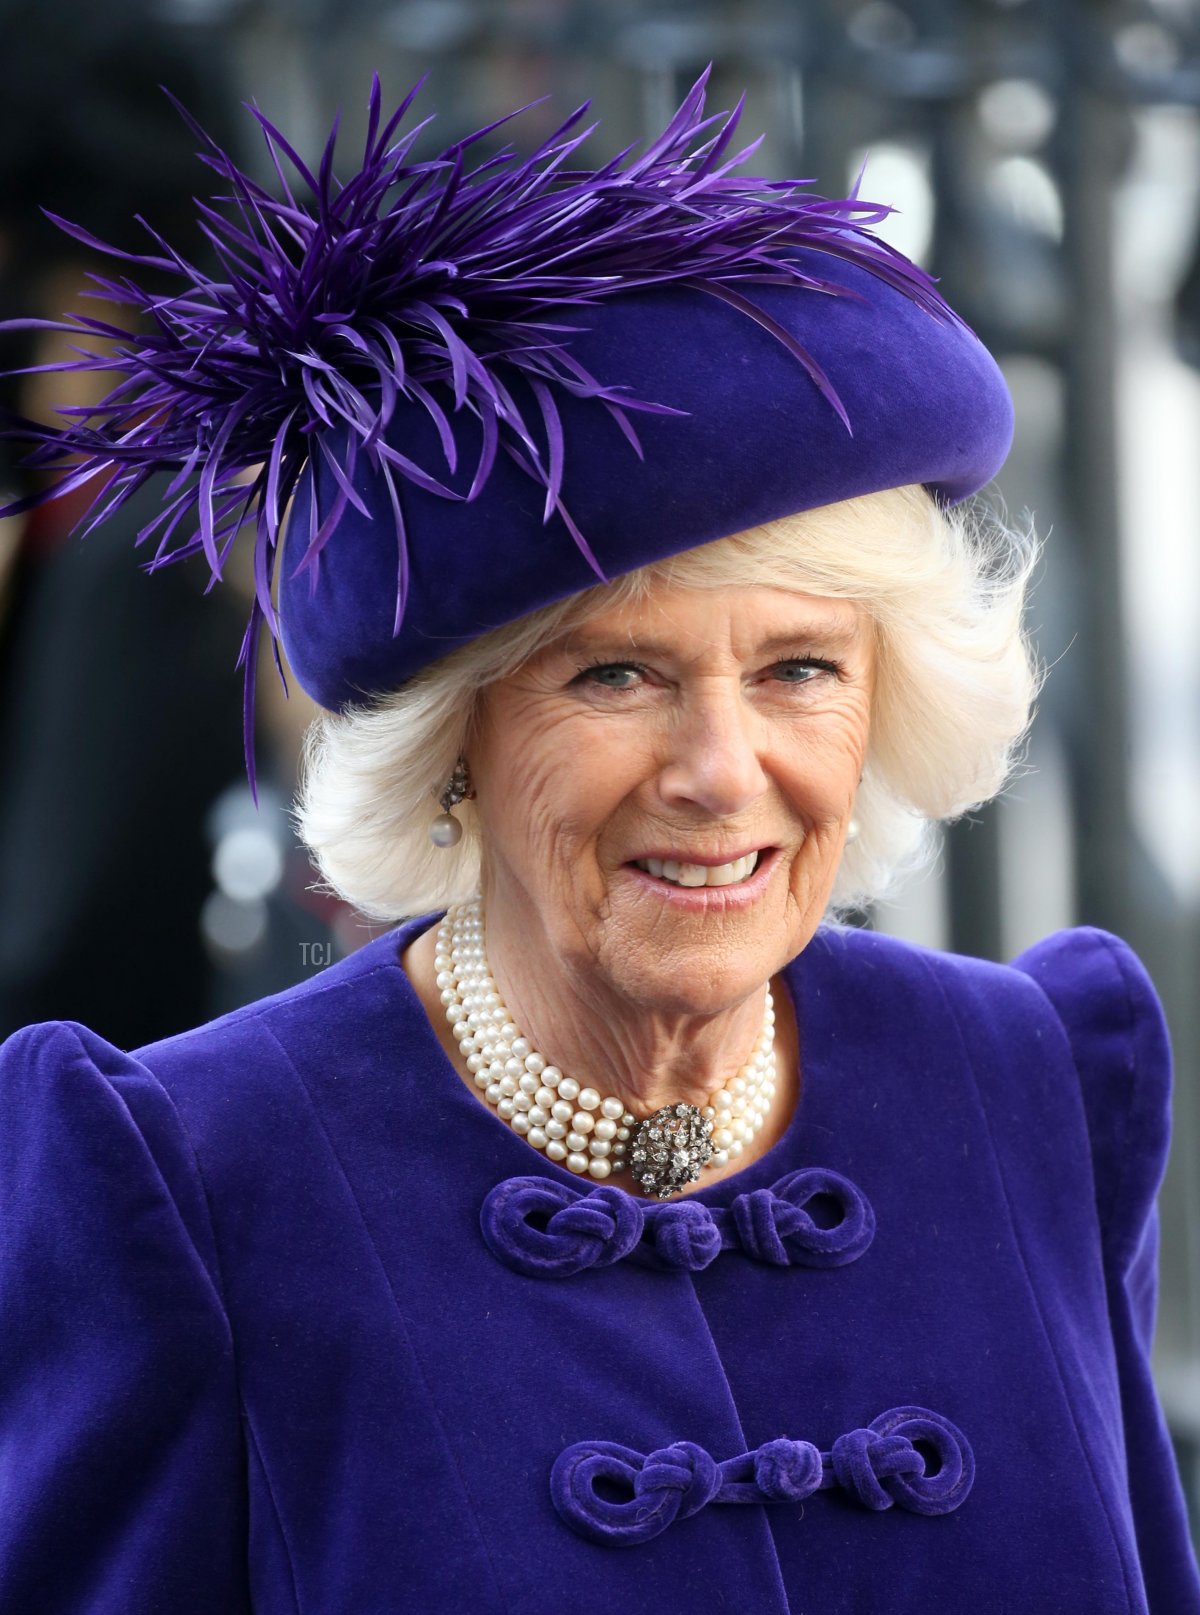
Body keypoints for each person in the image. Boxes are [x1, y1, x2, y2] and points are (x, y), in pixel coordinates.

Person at [1, 72, 1196, 1614]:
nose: (720, 770)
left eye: (799, 670)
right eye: (615, 674)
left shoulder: (1033, 1082)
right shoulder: (193, 1180)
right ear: (456, 742)